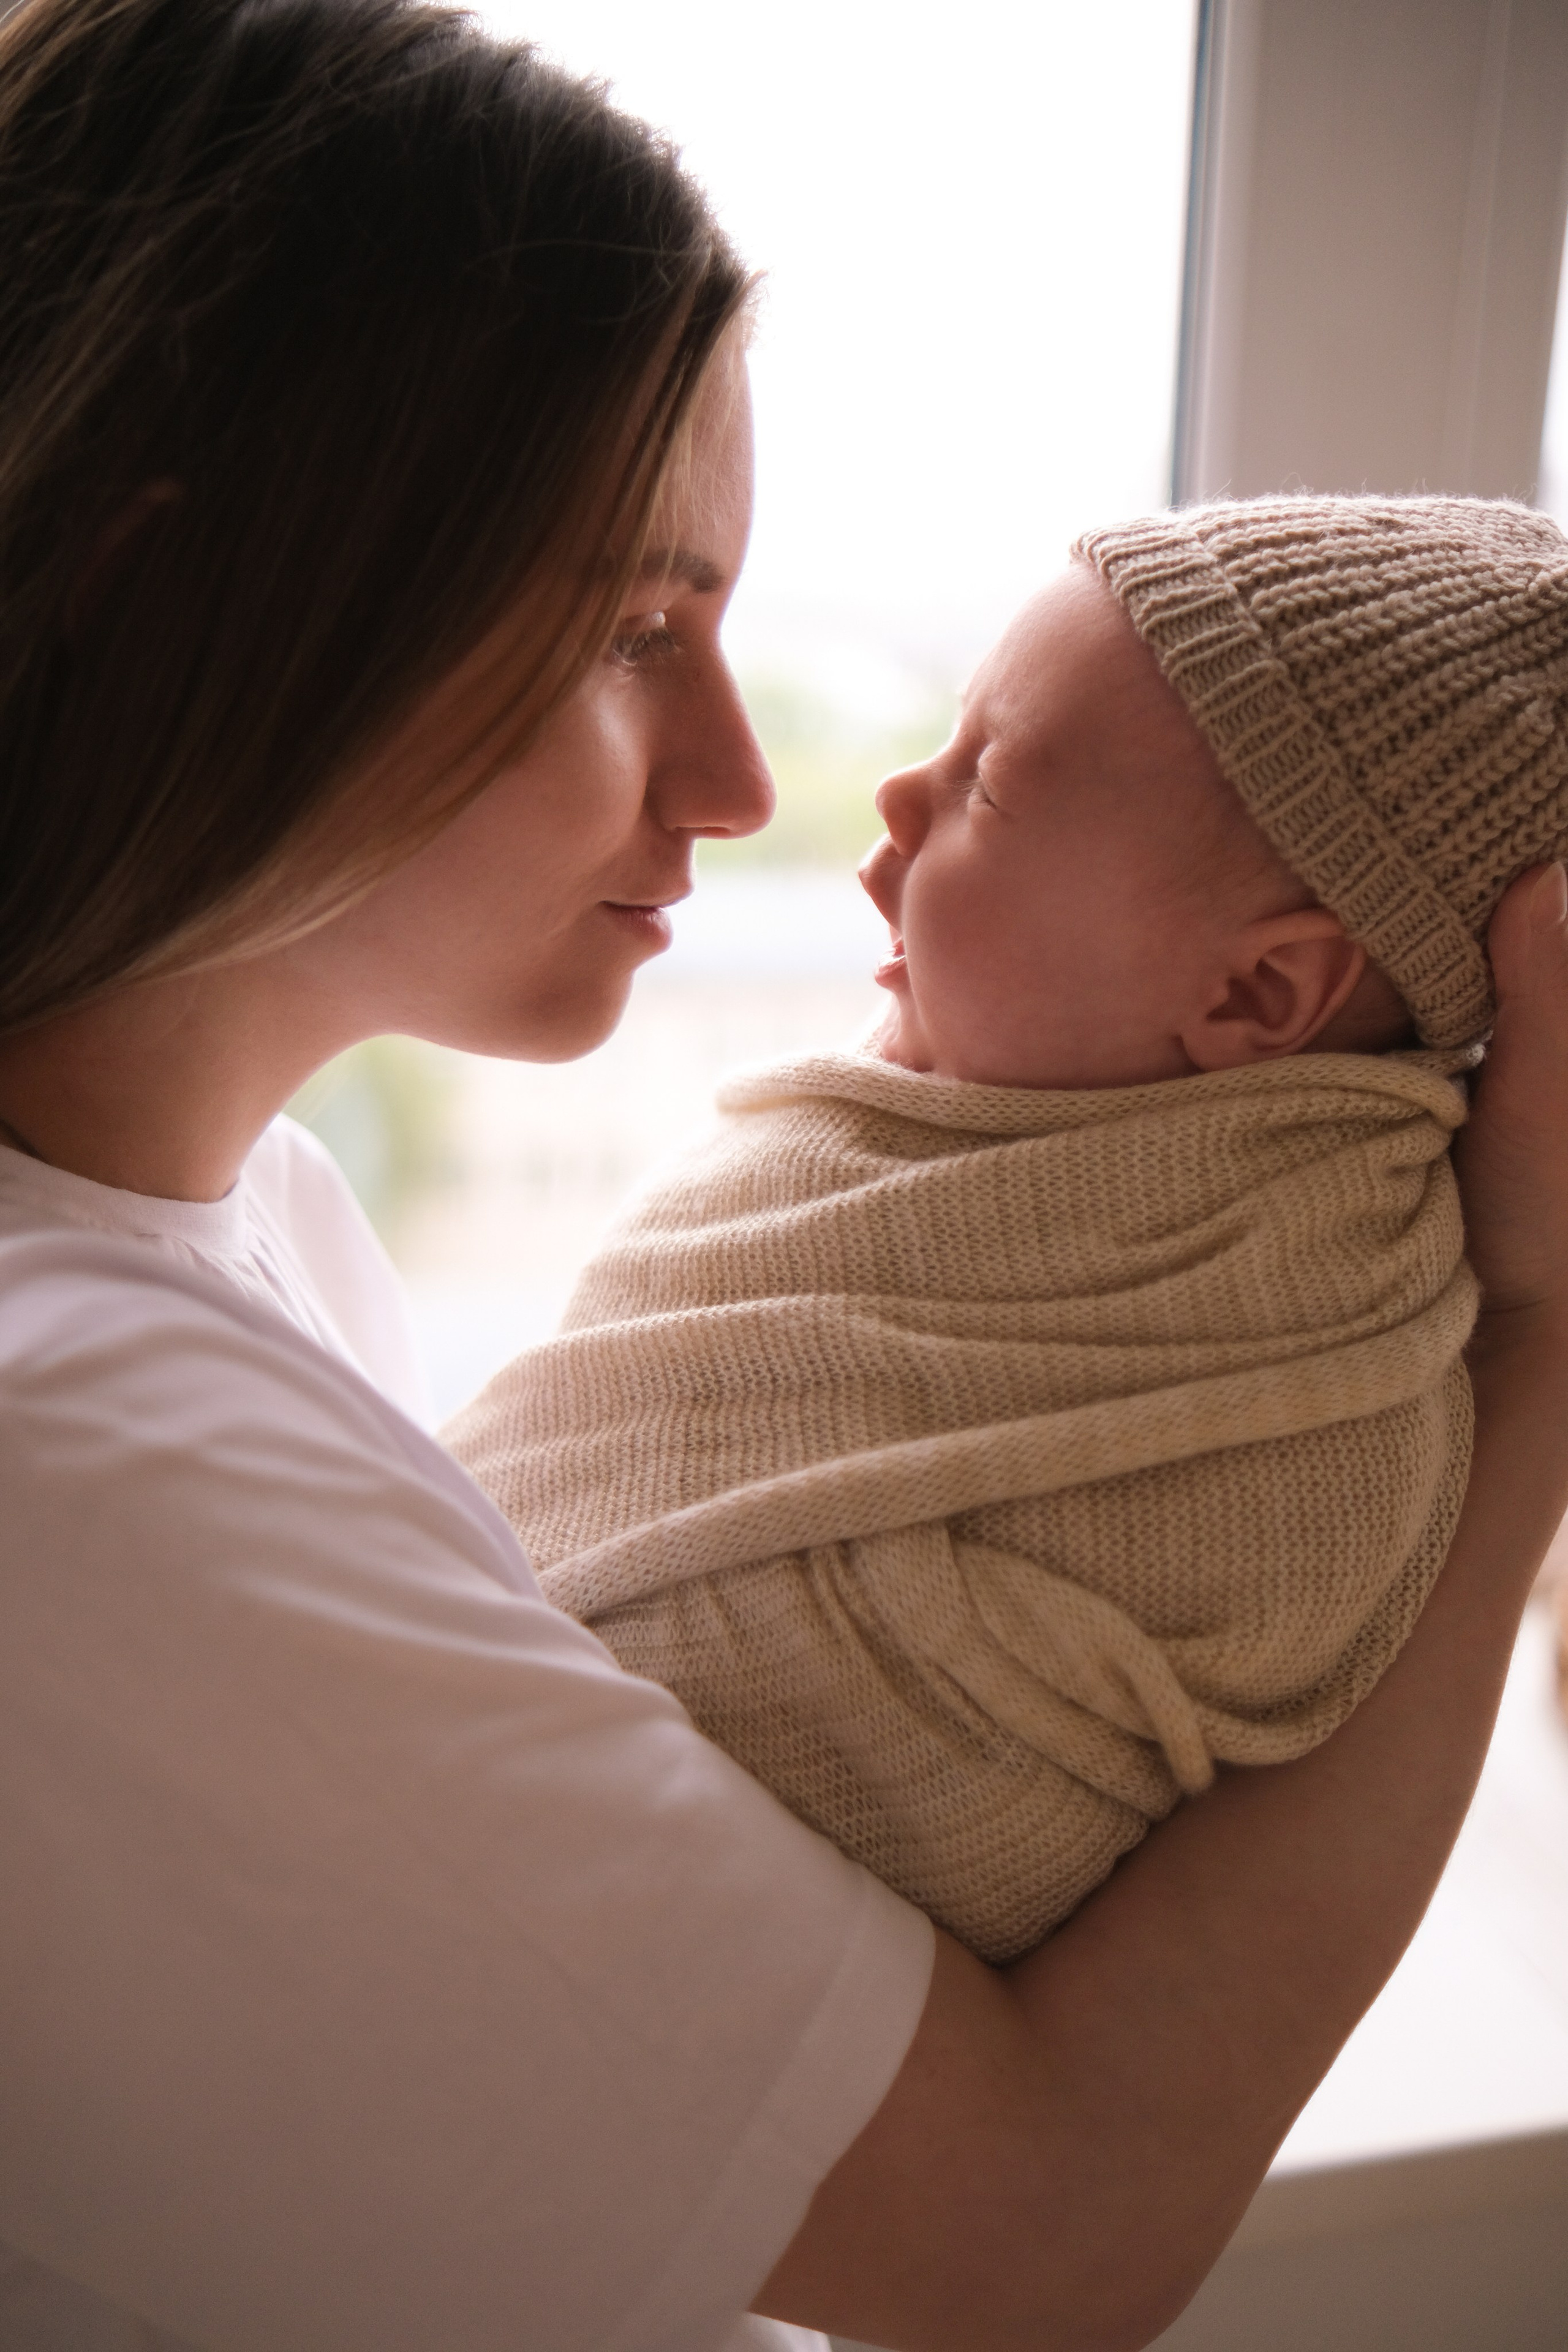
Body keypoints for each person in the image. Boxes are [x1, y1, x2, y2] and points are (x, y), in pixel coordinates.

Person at [0, 5, 1565, 2350]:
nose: (746, 782)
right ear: (174, 599)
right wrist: (1539, 1349)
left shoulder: (250, 1228)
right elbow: (1031, 2245)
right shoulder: (80, 1465)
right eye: (640, 631)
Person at [448, 495, 1557, 1965]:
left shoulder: (1306, 1353)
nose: (896, 797)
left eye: (989, 783)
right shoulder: (912, 1134)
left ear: (1252, 1001)